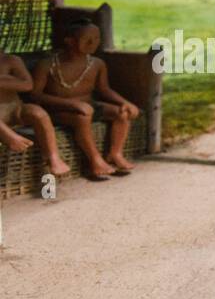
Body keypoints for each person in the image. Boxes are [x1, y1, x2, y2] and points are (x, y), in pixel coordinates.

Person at [30, 19, 139, 179]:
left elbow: (104, 90)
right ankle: (95, 160)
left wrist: (124, 103)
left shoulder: (97, 64)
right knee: (83, 117)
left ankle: (115, 153)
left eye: (96, 38)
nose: (92, 42)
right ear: (70, 41)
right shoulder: (48, 65)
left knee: (121, 113)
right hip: (59, 110)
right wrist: (72, 104)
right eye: (86, 38)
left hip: (88, 105)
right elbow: (35, 95)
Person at [0, 37, 71, 179]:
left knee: (38, 113)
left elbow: (27, 85)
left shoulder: (11, 61)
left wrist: (3, 81)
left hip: (15, 109)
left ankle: (53, 157)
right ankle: (10, 136)